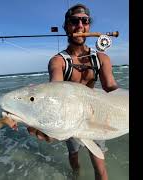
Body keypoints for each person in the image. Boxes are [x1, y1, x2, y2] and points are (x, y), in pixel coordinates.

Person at [27, 4, 118, 180]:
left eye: (85, 21)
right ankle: (75, 175)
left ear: (89, 26)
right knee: (74, 157)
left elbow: (112, 88)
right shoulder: (58, 61)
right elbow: (56, 89)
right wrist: (39, 116)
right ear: (67, 27)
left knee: (101, 168)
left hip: (93, 118)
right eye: (74, 21)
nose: (80, 26)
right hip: (71, 116)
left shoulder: (101, 58)